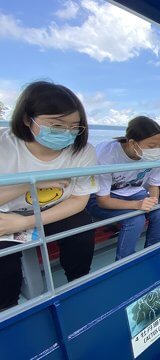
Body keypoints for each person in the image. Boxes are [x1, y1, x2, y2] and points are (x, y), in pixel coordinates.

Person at [0, 81, 98, 310]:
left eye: (75, 127)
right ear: (27, 119)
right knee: (4, 264)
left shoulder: (83, 151)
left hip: (52, 211)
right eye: (56, 125)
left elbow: (78, 200)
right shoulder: (5, 146)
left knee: (81, 228)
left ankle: (78, 282)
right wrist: (33, 182)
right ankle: (9, 309)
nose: (67, 133)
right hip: (6, 214)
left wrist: (27, 221)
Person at [87, 116, 160, 260]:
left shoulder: (153, 157)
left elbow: (154, 185)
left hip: (135, 193)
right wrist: (137, 205)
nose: (157, 150)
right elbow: (103, 201)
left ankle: (153, 252)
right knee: (135, 219)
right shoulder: (106, 154)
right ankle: (125, 261)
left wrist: (153, 201)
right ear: (132, 143)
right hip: (101, 197)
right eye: (151, 146)